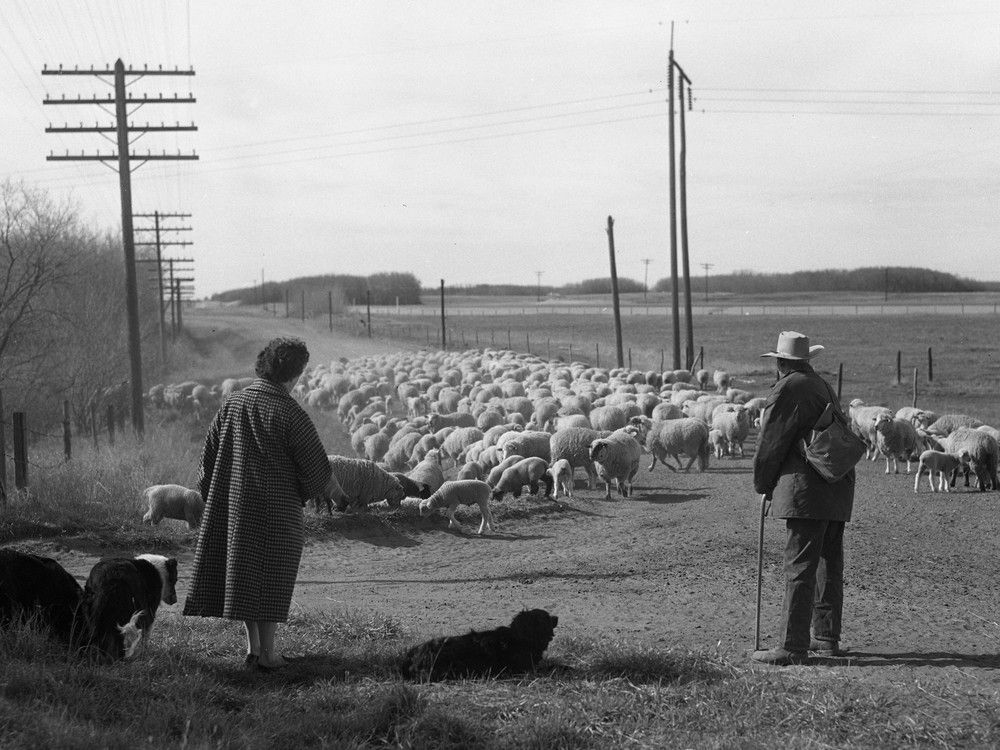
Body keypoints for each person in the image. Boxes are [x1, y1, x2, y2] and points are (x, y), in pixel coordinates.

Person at [183, 337, 333, 670]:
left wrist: (214, 497)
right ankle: (269, 655)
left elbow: (208, 458)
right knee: (272, 579)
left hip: (235, 508)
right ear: (293, 374)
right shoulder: (290, 412)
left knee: (245, 578)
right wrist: (330, 490)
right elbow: (316, 470)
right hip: (276, 511)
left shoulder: (233, 403)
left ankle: (253, 650)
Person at [751, 331, 855, 666]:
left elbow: (771, 442)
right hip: (837, 484)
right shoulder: (821, 384)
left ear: (781, 363)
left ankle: (792, 646)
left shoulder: (789, 387)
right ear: (806, 360)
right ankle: (825, 637)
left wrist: (763, 485)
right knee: (827, 563)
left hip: (807, 490)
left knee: (800, 564)